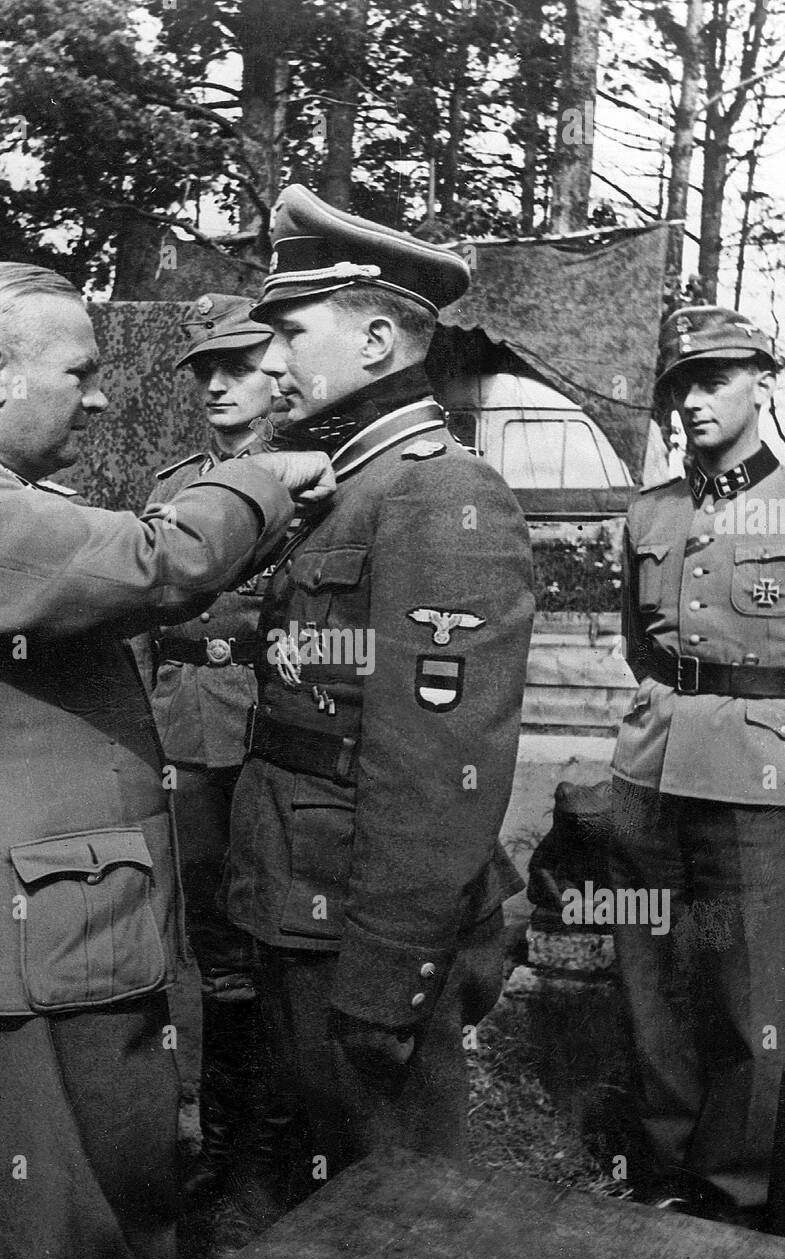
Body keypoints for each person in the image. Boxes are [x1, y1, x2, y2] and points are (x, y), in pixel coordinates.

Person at [0, 261, 333, 1259]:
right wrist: (267, 471)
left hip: (31, 950)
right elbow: (156, 559)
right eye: (80, 369)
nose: (103, 392)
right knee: (83, 1258)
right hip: (17, 975)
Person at [223, 185, 535, 1179]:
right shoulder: (342, 481)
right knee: (337, 1191)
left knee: (395, 1211)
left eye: (290, 330)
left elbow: (440, 767)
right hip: (297, 889)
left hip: (360, 927)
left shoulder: (442, 493)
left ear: (372, 342)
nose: (270, 359)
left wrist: (389, 976)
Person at [611, 304, 785, 1229]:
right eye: (678, 384)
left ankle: (734, 1195)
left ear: (764, 380)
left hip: (758, 775)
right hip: (650, 769)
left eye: (712, 378)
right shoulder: (650, 512)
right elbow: (641, 644)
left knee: (748, 994)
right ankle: (661, 1175)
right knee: (651, 981)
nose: (689, 401)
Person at [133, 295, 294, 1220]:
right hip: (187, 735)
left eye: (236, 365)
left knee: (280, 939)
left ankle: (282, 1143)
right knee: (211, 950)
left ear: (278, 371)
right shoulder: (176, 486)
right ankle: (225, 1140)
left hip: (273, 731)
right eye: (203, 370)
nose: (217, 385)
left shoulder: (314, 485)